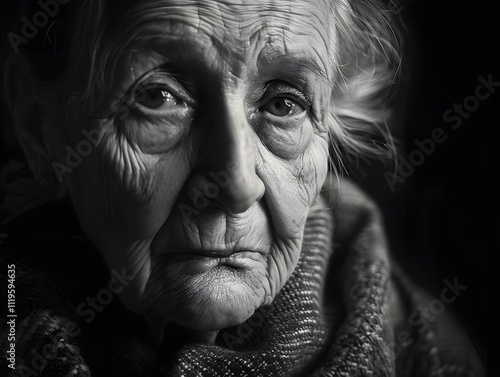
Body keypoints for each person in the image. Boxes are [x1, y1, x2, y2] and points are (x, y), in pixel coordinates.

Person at [0, 0, 485, 376]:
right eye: (159, 96)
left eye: (283, 104)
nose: (235, 185)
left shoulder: (428, 350)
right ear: (41, 127)